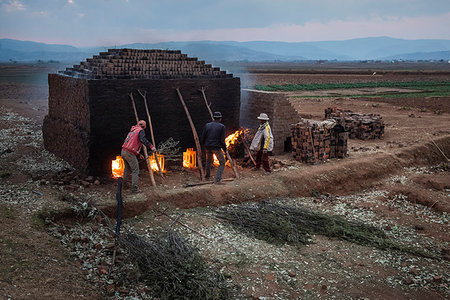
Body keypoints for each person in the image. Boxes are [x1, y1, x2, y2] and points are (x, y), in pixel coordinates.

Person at [121, 120, 156, 193]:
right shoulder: (140, 130)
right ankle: (134, 189)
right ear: (144, 126)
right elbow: (142, 139)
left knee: (127, 168)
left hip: (123, 151)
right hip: (129, 153)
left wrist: (138, 154)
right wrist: (151, 146)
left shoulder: (132, 131)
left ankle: (124, 185)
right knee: (135, 170)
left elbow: (131, 144)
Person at [201, 111, 226, 184]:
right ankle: (218, 179)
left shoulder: (207, 125)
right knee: (222, 162)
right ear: (220, 119)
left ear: (214, 118)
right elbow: (222, 140)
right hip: (216, 147)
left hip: (207, 146)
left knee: (208, 161)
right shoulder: (222, 127)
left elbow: (203, 137)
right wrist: (225, 149)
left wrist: (204, 145)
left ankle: (207, 176)